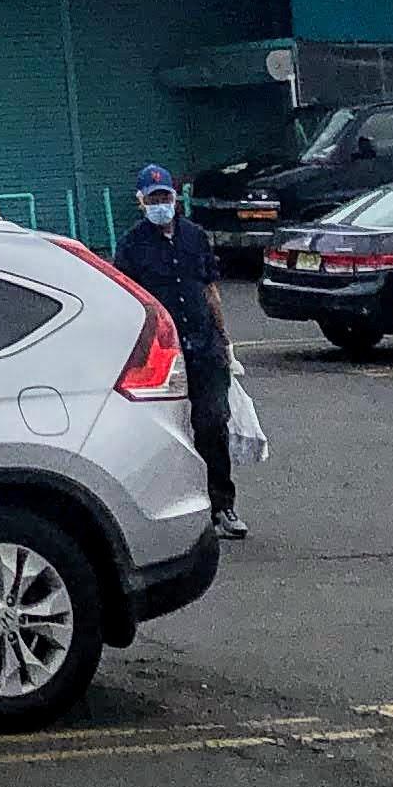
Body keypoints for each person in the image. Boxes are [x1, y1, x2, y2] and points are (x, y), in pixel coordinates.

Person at [117, 164, 249, 541]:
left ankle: (221, 506)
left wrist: (224, 340)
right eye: (153, 199)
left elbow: (210, 290)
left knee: (212, 423)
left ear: (175, 199)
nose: (161, 204)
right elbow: (127, 299)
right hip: (162, 352)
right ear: (141, 202)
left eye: (166, 197)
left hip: (204, 346)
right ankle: (165, 512)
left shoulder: (194, 236)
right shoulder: (131, 245)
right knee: (164, 433)